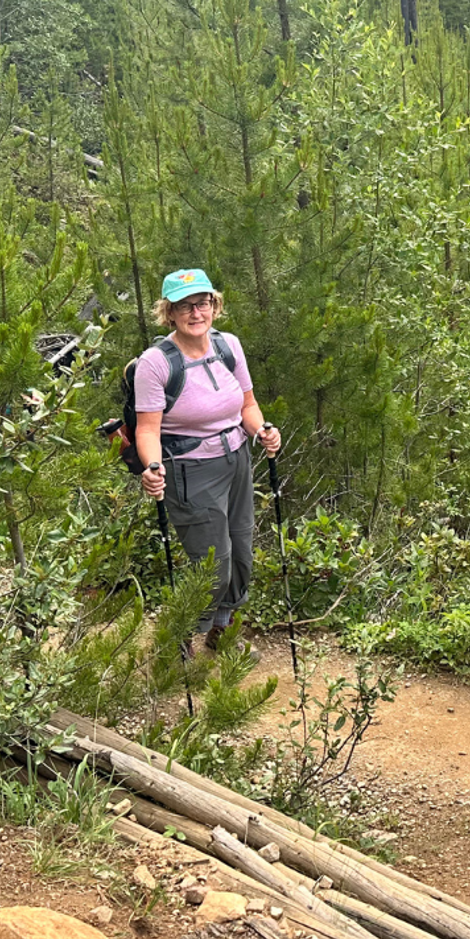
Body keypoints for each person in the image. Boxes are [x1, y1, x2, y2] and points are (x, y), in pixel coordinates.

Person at [134, 269, 280, 654]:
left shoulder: (228, 346)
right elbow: (147, 430)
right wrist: (152, 468)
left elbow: (248, 405)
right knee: (213, 562)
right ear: (169, 313)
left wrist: (262, 430)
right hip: (190, 470)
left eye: (203, 303)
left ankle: (221, 629)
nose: (196, 313)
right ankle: (178, 634)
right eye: (184, 306)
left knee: (241, 551)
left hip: (237, 460)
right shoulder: (155, 363)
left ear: (214, 305)